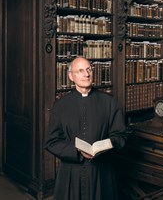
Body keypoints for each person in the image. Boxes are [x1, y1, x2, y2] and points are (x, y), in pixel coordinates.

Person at [45, 57, 127, 200]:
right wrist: (77, 151)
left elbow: (121, 135)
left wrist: (107, 146)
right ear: (71, 76)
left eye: (88, 69)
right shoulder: (60, 106)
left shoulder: (109, 102)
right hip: (71, 173)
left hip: (102, 171)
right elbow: (52, 142)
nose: (86, 74)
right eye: (80, 70)